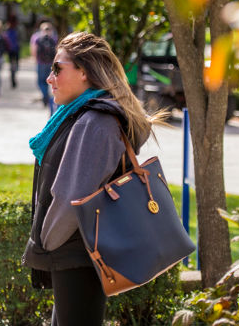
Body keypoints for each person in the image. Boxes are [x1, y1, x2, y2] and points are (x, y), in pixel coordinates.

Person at [21, 32, 165, 326]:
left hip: (77, 254)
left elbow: (71, 196)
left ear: (85, 72)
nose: (50, 78)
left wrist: (44, 244)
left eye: (57, 68)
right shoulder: (82, 115)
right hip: (77, 252)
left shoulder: (95, 122)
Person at [30, 22, 57, 114]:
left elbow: (34, 49)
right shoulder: (54, 38)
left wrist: (35, 59)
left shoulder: (37, 38)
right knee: (48, 81)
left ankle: (45, 96)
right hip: (50, 63)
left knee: (40, 81)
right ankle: (47, 97)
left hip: (40, 62)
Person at [5, 14, 21, 89]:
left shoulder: (7, 28)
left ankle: (12, 76)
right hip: (15, 49)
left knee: (12, 65)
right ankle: (13, 77)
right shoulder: (18, 28)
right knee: (16, 66)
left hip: (10, 50)